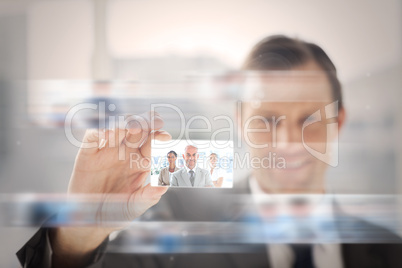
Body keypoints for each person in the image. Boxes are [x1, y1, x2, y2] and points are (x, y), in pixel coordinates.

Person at [17, 35, 402, 268]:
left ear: (340, 121)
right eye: (267, 119)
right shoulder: (181, 226)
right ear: (239, 122)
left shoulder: (391, 253)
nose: (288, 140)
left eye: (310, 119)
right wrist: (79, 232)